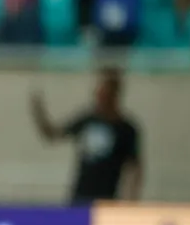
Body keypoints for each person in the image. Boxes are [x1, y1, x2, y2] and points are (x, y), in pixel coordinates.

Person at [30, 67, 143, 204]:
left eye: (104, 91)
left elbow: (135, 168)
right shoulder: (87, 120)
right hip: (79, 197)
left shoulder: (126, 129)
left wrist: (131, 199)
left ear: (114, 94)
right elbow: (53, 134)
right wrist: (39, 112)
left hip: (106, 200)